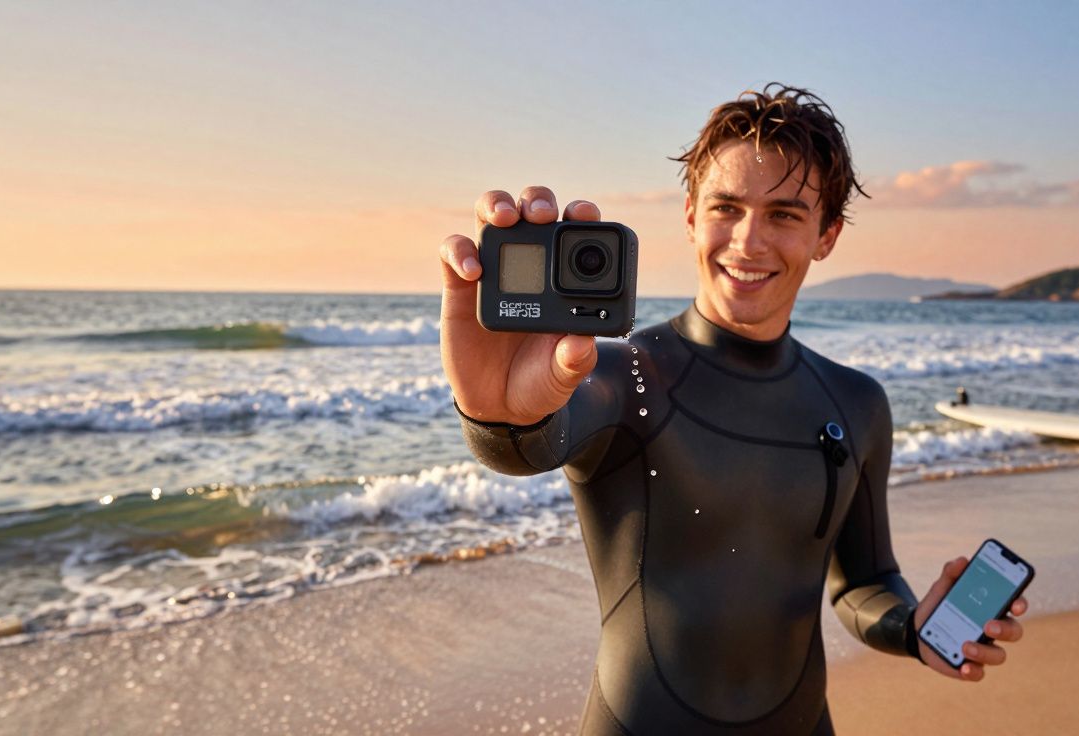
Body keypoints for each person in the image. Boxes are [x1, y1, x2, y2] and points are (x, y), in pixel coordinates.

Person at [438, 83, 1029, 735]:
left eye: (784, 214)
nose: (748, 242)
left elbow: (866, 581)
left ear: (826, 235)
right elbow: (527, 442)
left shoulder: (857, 402)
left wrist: (911, 626)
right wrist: (497, 413)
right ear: (690, 214)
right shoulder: (620, 375)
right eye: (727, 207)